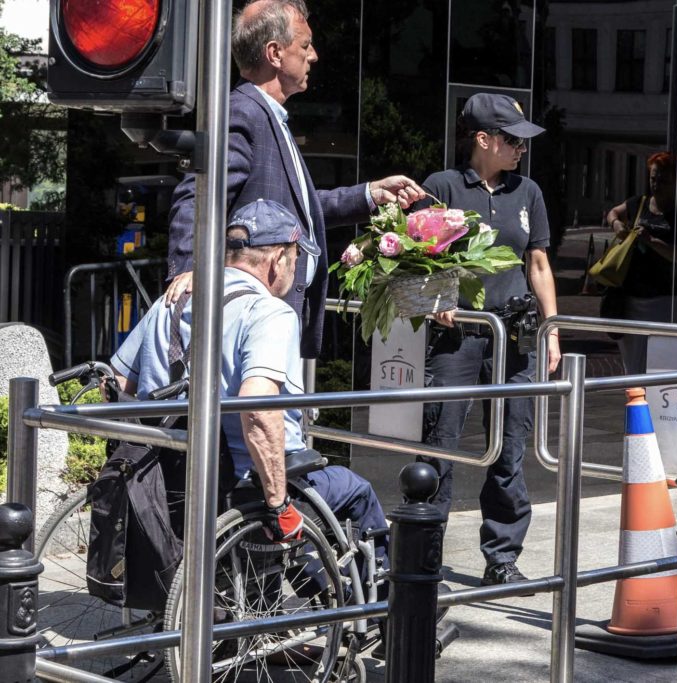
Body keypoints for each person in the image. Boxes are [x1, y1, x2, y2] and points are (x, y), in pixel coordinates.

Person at [113, 199, 389, 568]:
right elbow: (258, 410)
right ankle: (382, 595)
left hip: (168, 482)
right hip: (243, 488)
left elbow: (118, 383)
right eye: (296, 258)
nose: (295, 269)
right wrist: (277, 505)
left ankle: (303, 584)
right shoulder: (269, 313)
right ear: (278, 259)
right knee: (355, 491)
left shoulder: (172, 300)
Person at [164, 0, 426, 359]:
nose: (314, 55)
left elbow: (297, 209)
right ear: (274, 53)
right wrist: (190, 270)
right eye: (305, 45)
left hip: (273, 314)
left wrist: (370, 194)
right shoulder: (243, 113)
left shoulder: (268, 116)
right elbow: (197, 195)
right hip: (253, 319)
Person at [415, 93, 561, 586]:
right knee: (441, 443)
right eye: (512, 140)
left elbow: (538, 264)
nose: (521, 149)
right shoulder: (443, 187)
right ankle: (424, 557)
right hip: (458, 336)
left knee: (511, 446)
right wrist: (437, 297)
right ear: (483, 139)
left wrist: (552, 330)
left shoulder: (528, 192)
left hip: (514, 335)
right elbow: (418, 258)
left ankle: (502, 558)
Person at [604, 152, 677, 374]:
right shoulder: (639, 203)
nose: (656, 185)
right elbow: (613, 212)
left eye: (663, 181)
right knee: (633, 364)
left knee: (662, 363)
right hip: (631, 296)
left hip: (667, 298)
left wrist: (653, 241)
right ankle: (634, 394)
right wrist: (616, 224)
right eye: (653, 179)